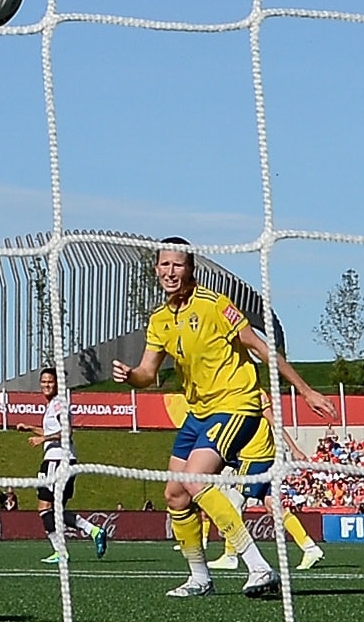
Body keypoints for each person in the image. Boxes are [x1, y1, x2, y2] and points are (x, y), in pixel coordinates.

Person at [112, 236, 334, 599]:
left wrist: (305, 390)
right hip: (198, 412)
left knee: (195, 479)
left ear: (191, 269)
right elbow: (147, 373)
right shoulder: (160, 319)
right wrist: (129, 376)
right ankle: (200, 578)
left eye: (177, 265)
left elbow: (261, 347)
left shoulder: (216, 305)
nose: (170, 272)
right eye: (164, 265)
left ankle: (260, 568)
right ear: (156, 269)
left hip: (237, 404)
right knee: (175, 494)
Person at [206, 393, 326, 572]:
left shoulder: (253, 394)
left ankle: (230, 555)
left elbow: (274, 423)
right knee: (273, 505)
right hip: (267, 458)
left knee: (233, 503)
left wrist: (294, 448)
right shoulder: (237, 393)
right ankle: (310, 548)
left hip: (254, 458)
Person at [15, 367, 107, 564]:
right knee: (53, 510)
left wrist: (43, 440)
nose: (46, 385)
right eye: (44, 381)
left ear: (57, 384)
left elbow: (67, 431)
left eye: (50, 381)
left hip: (57, 461)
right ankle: (93, 531)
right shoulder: (52, 405)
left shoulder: (58, 404)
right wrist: (30, 428)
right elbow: (54, 430)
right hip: (59, 460)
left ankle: (62, 550)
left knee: (45, 508)